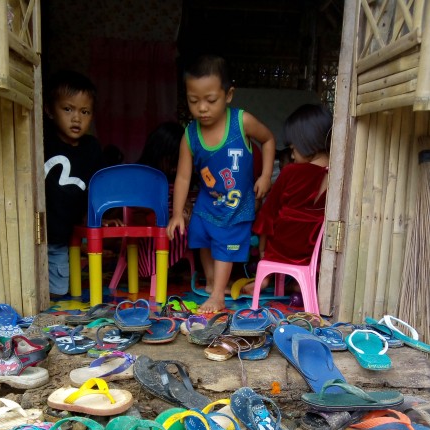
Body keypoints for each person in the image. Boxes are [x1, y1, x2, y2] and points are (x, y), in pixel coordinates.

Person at [167, 55, 275, 313]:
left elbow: (269, 139)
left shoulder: (242, 122)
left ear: (228, 95)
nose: (202, 108)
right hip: (208, 201)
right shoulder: (190, 134)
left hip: (237, 204)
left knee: (225, 242)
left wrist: (265, 175)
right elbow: (182, 177)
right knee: (202, 237)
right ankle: (214, 282)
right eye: (194, 101)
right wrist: (176, 214)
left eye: (210, 100)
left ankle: (217, 296)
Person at [242, 103, 333, 296]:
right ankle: (304, 283)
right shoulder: (338, 174)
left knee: (268, 220)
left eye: (293, 149)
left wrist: (262, 248)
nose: (291, 155)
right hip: (315, 250)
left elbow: (269, 213)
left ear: (305, 141)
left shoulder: (291, 172)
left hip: (284, 246)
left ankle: (265, 274)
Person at [43, 70, 103, 298]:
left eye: (84, 111)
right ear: (49, 110)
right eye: (67, 109)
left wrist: (99, 218)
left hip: (61, 239)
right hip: (31, 235)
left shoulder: (92, 149)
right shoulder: (41, 139)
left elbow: (98, 191)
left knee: (58, 293)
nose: (76, 118)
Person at [135, 121, 195, 277]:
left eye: (180, 161)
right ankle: (156, 267)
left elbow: (186, 203)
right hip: (149, 233)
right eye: (173, 161)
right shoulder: (143, 177)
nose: (176, 167)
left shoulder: (178, 179)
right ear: (158, 154)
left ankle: (174, 264)